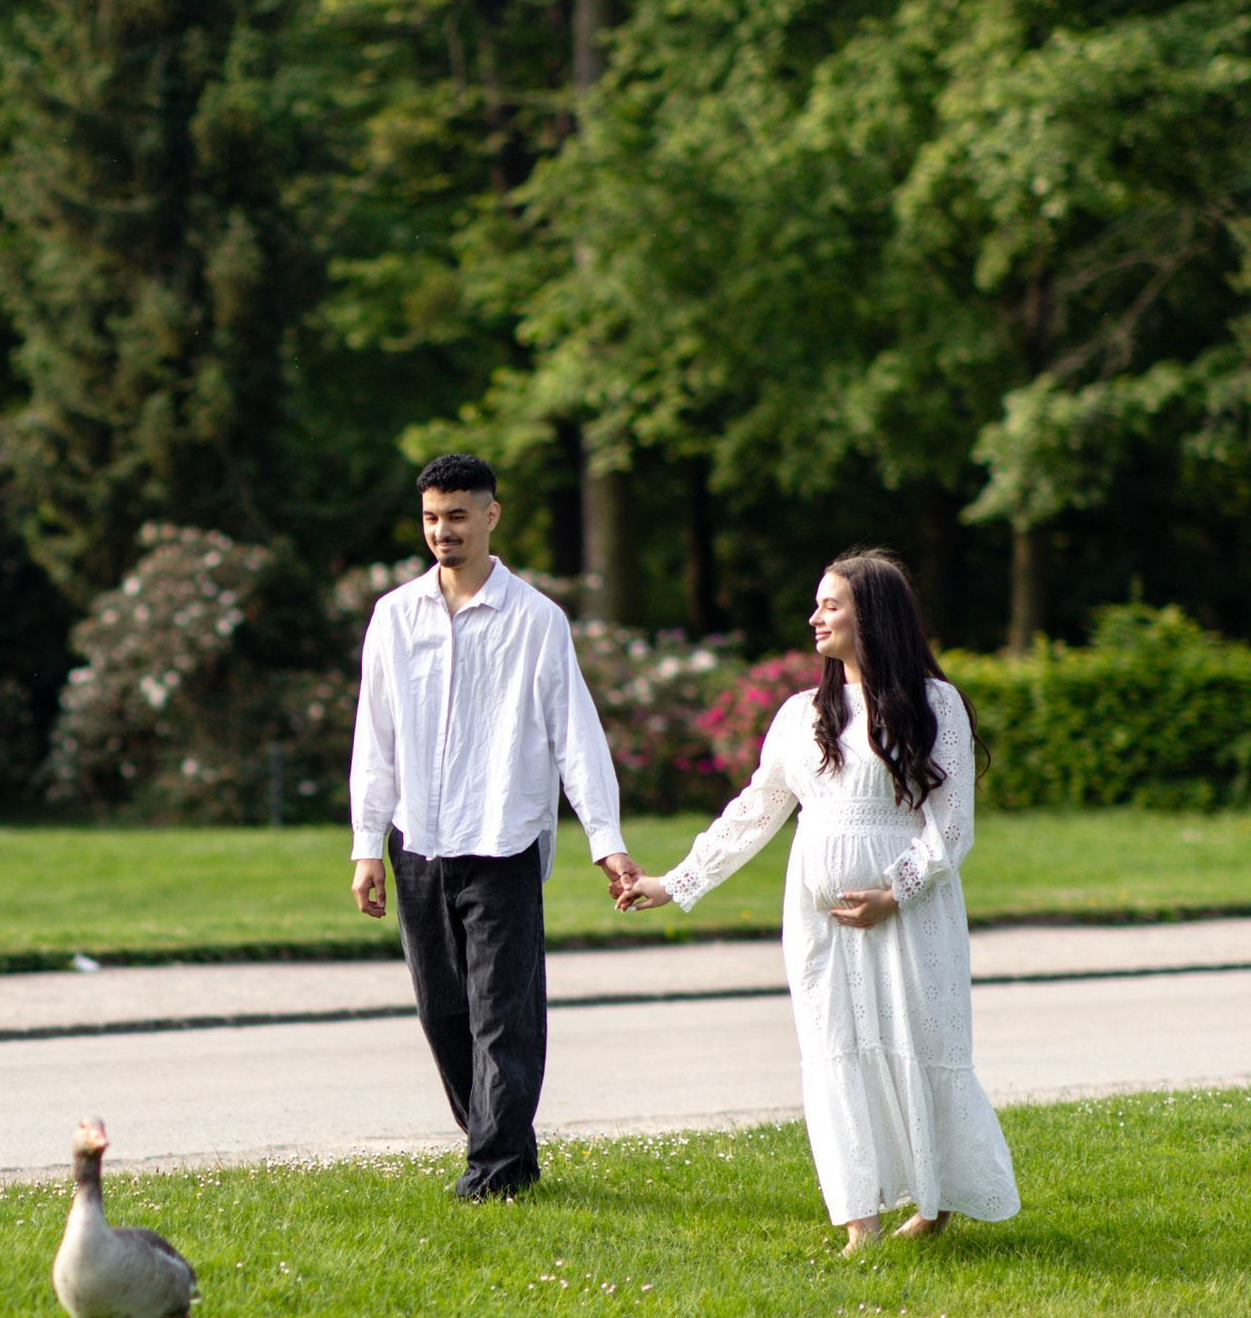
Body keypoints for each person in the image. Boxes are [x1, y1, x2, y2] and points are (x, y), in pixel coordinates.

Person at [619, 550, 1019, 1255]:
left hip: (912, 913)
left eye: (830, 605)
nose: (815, 617)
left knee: (920, 1045)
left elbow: (951, 826)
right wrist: (675, 882)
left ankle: (934, 1203)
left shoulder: (935, 704)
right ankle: (859, 1220)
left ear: (873, 614)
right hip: (818, 924)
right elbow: (756, 811)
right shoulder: (802, 714)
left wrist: (894, 893)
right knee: (835, 1050)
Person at [350, 453, 636, 1199]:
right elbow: (373, 738)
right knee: (442, 1010)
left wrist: (606, 841)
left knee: (502, 1015)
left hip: (504, 839)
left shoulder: (537, 621)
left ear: (490, 516)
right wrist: (366, 847)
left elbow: (576, 735)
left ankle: (495, 1172)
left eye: (456, 516)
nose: (442, 531)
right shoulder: (394, 617)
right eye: (430, 518)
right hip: (417, 843)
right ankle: (504, 1148)